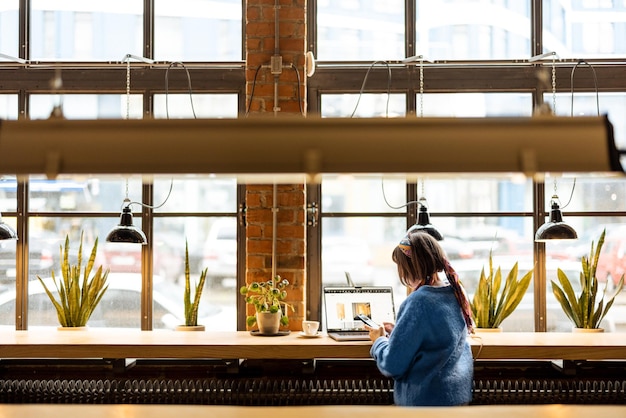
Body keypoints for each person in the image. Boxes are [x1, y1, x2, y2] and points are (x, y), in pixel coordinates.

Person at [365, 228, 474, 406]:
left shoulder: (419, 301)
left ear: (409, 269)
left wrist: (378, 341)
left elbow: (393, 364)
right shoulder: (455, 291)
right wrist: (398, 331)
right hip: (457, 398)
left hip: (425, 403)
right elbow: (435, 340)